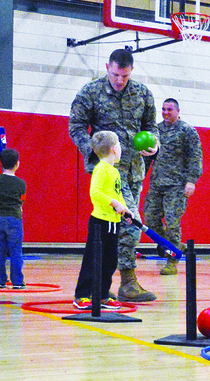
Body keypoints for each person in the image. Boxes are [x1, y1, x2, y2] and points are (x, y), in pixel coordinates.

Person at [69, 48, 159, 303]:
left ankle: (101, 286)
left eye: (125, 75)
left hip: (135, 171)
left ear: (131, 71)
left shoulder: (142, 93)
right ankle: (127, 283)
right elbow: (75, 126)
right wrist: (94, 152)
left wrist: (155, 145)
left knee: (113, 231)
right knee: (131, 224)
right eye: (116, 74)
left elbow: (151, 127)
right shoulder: (91, 92)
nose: (120, 80)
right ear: (108, 67)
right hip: (109, 172)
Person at [73, 131, 133, 310]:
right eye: (120, 145)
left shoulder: (115, 171)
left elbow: (117, 193)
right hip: (99, 223)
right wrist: (113, 202)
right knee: (92, 259)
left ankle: (103, 294)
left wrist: (125, 209)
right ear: (115, 149)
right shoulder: (101, 169)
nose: (121, 149)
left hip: (114, 223)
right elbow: (96, 193)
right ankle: (82, 295)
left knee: (110, 261)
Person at [144, 98, 203, 276]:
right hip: (157, 183)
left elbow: (195, 156)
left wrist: (192, 181)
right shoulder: (156, 130)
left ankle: (172, 260)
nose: (165, 112)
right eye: (163, 109)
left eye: (169, 109)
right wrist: (140, 177)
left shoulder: (187, 131)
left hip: (176, 185)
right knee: (149, 221)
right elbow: (148, 156)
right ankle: (176, 245)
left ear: (178, 111)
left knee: (171, 223)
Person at [0, 148, 27, 290]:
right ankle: (17, 281)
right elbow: (22, 200)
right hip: (14, 219)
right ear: (17, 164)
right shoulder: (21, 183)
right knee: (16, 251)